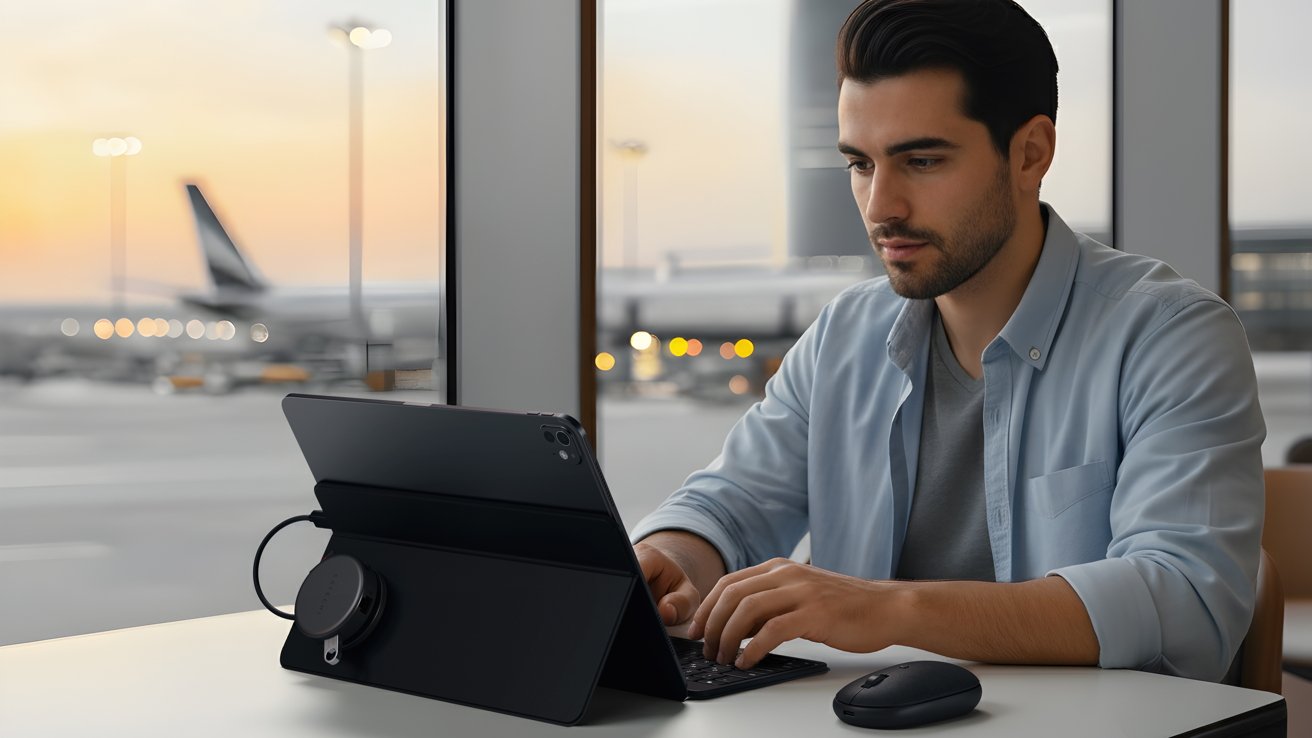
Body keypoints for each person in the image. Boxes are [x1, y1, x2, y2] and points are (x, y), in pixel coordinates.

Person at [630, 0, 1265, 684]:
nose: (881, 207)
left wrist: (889, 609)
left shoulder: (1172, 337)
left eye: (922, 160)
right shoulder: (845, 335)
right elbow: (732, 504)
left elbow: (1183, 602)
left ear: (1030, 153)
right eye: (861, 164)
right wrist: (673, 557)